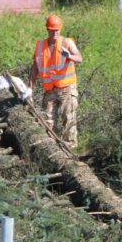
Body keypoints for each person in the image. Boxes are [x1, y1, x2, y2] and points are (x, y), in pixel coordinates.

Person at [25, 14, 83, 148]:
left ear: (60, 30)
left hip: (66, 89)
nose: (55, 33)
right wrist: (30, 88)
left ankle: (70, 149)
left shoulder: (67, 43)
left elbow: (79, 58)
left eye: (57, 30)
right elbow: (35, 67)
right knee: (47, 121)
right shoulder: (40, 46)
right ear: (47, 30)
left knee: (68, 119)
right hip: (50, 90)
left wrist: (69, 56)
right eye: (52, 30)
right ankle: (51, 149)